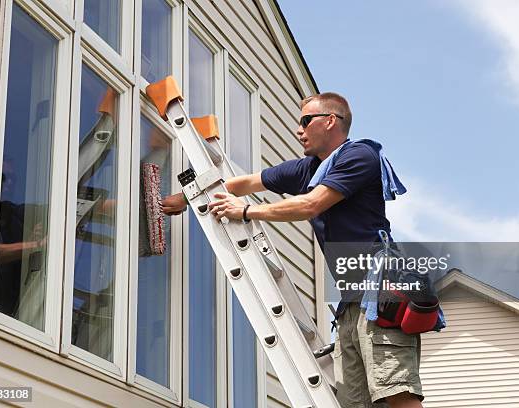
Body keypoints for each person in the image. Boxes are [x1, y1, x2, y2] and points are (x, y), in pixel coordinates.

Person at [161, 93, 424, 408]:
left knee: (395, 391)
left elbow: (311, 204)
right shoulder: (310, 169)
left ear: (330, 121)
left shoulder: (360, 156)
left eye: (305, 121)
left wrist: (245, 213)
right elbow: (246, 183)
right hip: (350, 303)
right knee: (355, 403)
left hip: (380, 294)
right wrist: (185, 197)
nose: (298, 130)